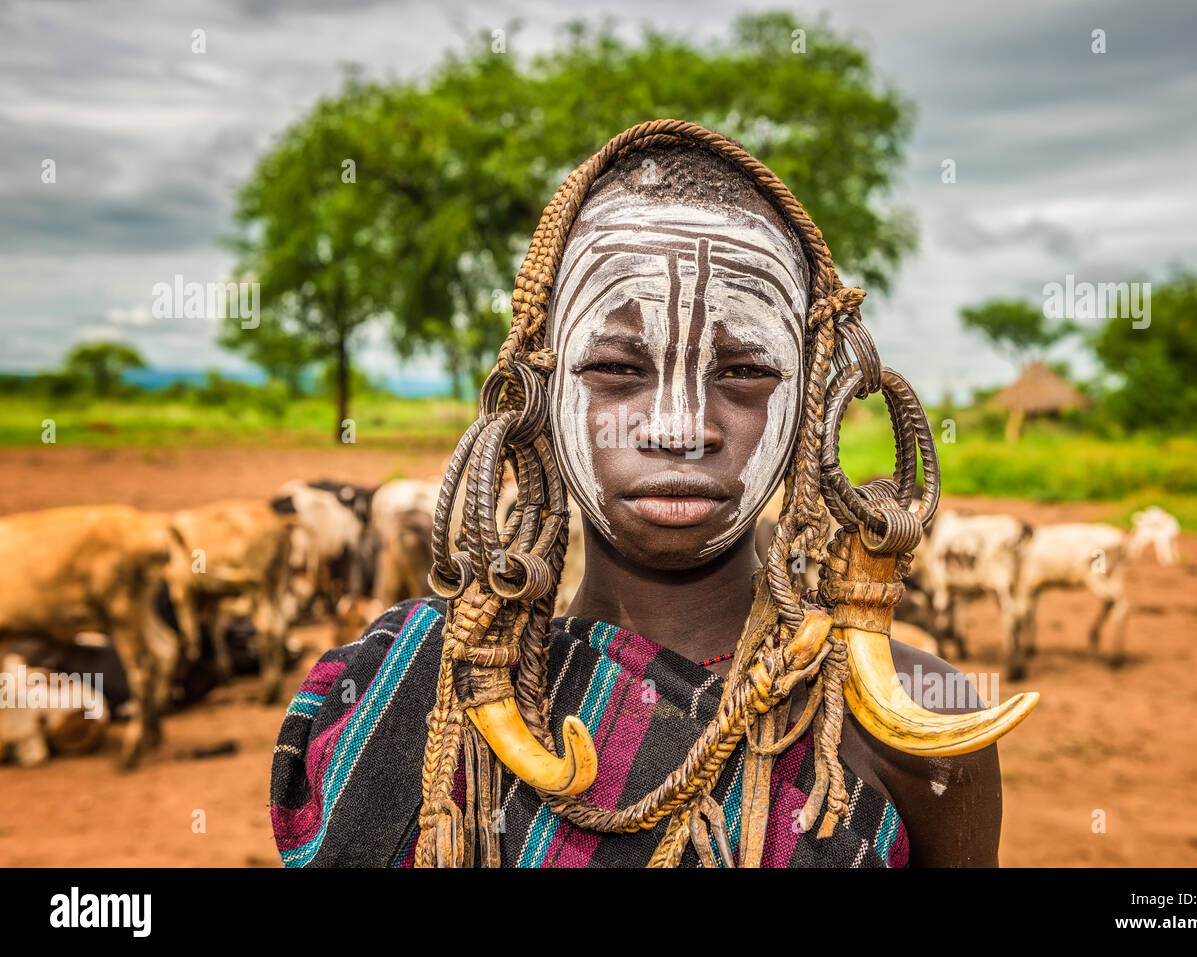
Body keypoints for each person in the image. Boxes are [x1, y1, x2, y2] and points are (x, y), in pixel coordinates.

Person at [270, 120, 1035, 868]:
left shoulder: (922, 722)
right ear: (532, 391)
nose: (678, 428)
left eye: (742, 371)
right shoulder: (409, 699)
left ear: (812, 399)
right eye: (617, 368)